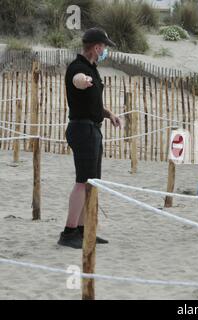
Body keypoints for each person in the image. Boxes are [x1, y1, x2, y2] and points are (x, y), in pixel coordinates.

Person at [58, 27, 121, 249]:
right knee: (82, 181)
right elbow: (76, 79)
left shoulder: (93, 69)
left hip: (93, 128)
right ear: (96, 47)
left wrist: (109, 113)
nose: (105, 50)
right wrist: (81, 81)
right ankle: (69, 232)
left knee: (91, 183)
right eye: (104, 47)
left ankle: (85, 231)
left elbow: (93, 102)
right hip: (82, 129)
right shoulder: (79, 68)